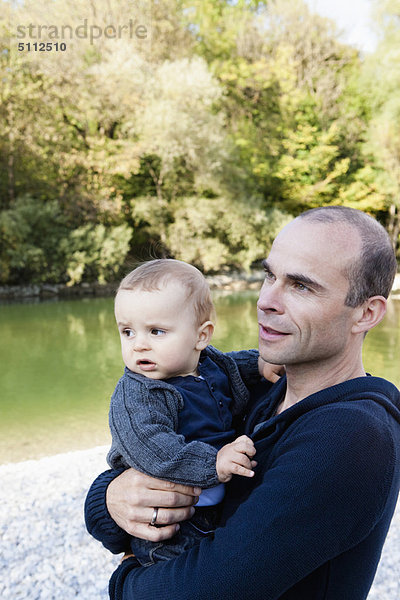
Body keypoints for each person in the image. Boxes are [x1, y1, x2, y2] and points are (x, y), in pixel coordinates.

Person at [85, 206, 400, 600]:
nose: (266, 300)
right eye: (270, 275)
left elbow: (210, 589)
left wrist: (124, 581)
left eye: (301, 286)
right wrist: (109, 497)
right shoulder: (260, 392)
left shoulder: (352, 437)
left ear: (366, 313)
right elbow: (151, 448)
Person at [106, 259, 280, 566]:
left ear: (201, 337)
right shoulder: (137, 393)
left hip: (211, 502)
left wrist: (261, 364)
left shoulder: (207, 364)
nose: (139, 345)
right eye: (128, 332)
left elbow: (234, 365)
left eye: (156, 331)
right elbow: (154, 449)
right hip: (173, 522)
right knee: (189, 570)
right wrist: (214, 462)